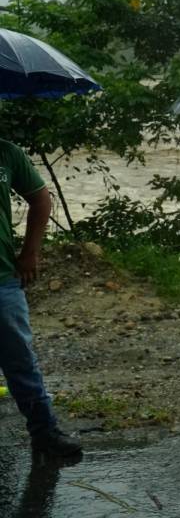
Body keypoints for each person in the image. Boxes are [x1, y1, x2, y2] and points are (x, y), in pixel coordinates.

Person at [0, 138, 83, 459]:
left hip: (3, 279)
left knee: (20, 360)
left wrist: (30, 252)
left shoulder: (7, 153)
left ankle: (45, 432)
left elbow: (41, 198)